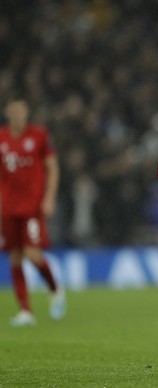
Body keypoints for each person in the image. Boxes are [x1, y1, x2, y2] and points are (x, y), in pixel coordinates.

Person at [0, 94, 66, 326]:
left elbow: (52, 168)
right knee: (15, 257)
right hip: (7, 208)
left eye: (21, 111)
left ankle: (56, 289)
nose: (18, 115)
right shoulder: (1, 138)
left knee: (31, 253)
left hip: (32, 207)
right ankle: (25, 311)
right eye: (13, 111)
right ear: (7, 113)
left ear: (26, 112)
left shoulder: (39, 135)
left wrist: (48, 199)